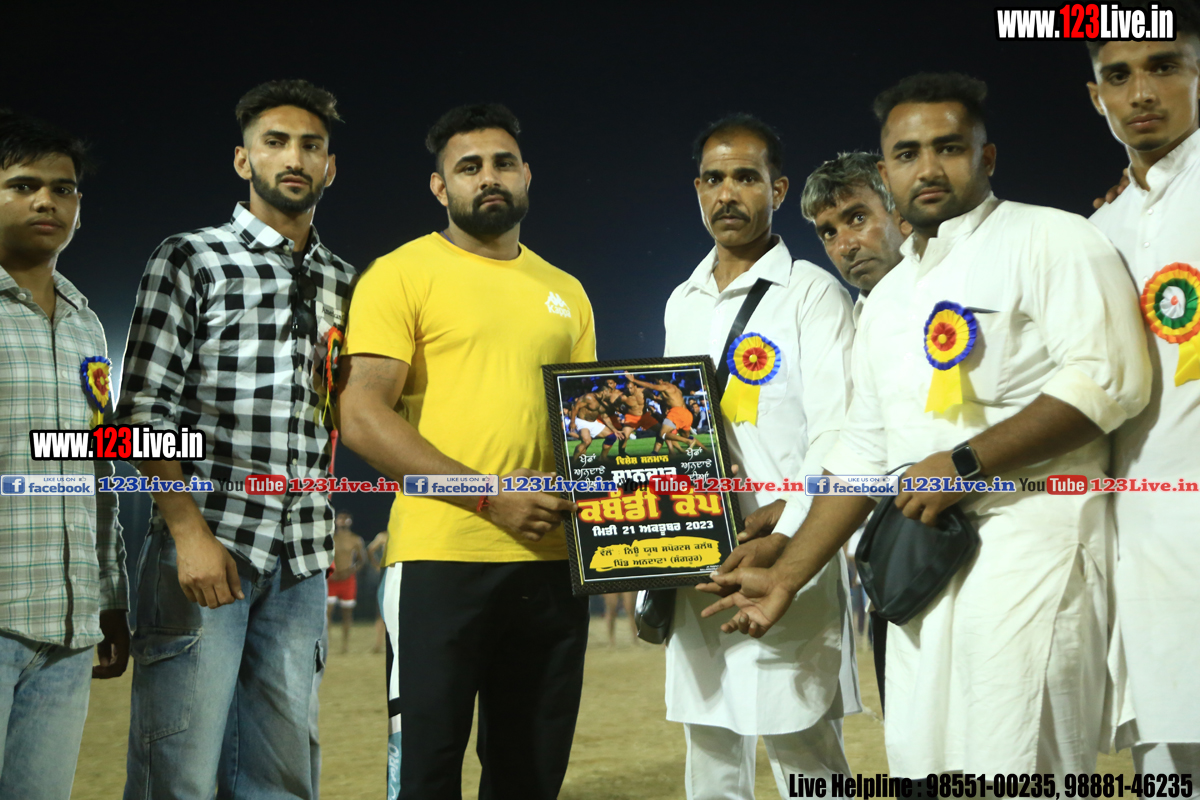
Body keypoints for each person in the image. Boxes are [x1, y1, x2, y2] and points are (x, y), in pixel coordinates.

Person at [703, 73, 1152, 782]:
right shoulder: (888, 300)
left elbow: (1107, 379)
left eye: (949, 147)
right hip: (919, 571)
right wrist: (788, 573)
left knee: (1022, 766)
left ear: (987, 157)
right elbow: (863, 453)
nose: (929, 168)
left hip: (1033, 551)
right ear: (887, 174)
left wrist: (966, 463)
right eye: (908, 154)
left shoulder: (1052, 237)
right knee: (930, 769)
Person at [337, 103, 595, 800]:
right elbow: (360, 416)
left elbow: (588, 434)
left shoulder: (566, 291)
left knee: (529, 777)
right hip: (439, 558)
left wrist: (654, 505)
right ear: (439, 185)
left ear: (526, 175)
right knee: (425, 775)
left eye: (503, 163)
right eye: (469, 166)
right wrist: (488, 496)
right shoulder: (401, 273)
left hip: (551, 561)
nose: (489, 177)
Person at [115, 79, 355, 799]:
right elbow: (139, 414)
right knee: (179, 773)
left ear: (330, 166)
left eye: (311, 146)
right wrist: (187, 533)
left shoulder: (346, 282)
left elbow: (338, 416)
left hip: (300, 559)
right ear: (243, 160)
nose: (294, 158)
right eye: (275, 143)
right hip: (206, 544)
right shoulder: (192, 258)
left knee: (282, 778)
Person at [662, 113, 859, 799]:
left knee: (804, 749)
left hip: (785, 557)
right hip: (698, 563)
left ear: (777, 190)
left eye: (746, 177)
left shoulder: (812, 293)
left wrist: (790, 528)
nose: (727, 193)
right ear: (697, 189)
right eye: (713, 179)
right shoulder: (682, 301)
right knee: (710, 749)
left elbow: (840, 434)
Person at [1086, 5, 1200, 786]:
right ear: (1096, 96)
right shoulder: (1101, 230)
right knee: (1164, 757)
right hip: (1141, 543)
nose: (1142, 92)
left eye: (1164, 66)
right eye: (1119, 76)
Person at [0, 111, 128, 800]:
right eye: (23, 185)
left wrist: (110, 598)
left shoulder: (87, 325)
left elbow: (99, 468)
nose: (46, 201)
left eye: (63, 188)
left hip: (68, 632)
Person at [800, 150, 911, 324]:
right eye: (830, 233)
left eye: (858, 218)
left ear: (903, 215)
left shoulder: (953, 283)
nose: (844, 247)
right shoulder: (852, 326)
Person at [327, 511, 366, 654]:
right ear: (335, 521)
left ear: (350, 521)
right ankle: (327, 643)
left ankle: (345, 645)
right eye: (340, 518)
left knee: (347, 614)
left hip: (348, 580)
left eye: (345, 518)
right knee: (327, 613)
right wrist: (329, 572)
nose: (343, 521)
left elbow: (361, 560)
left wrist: (350, 571)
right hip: (331, 579)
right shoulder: (330, 537)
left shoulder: (355, 539)